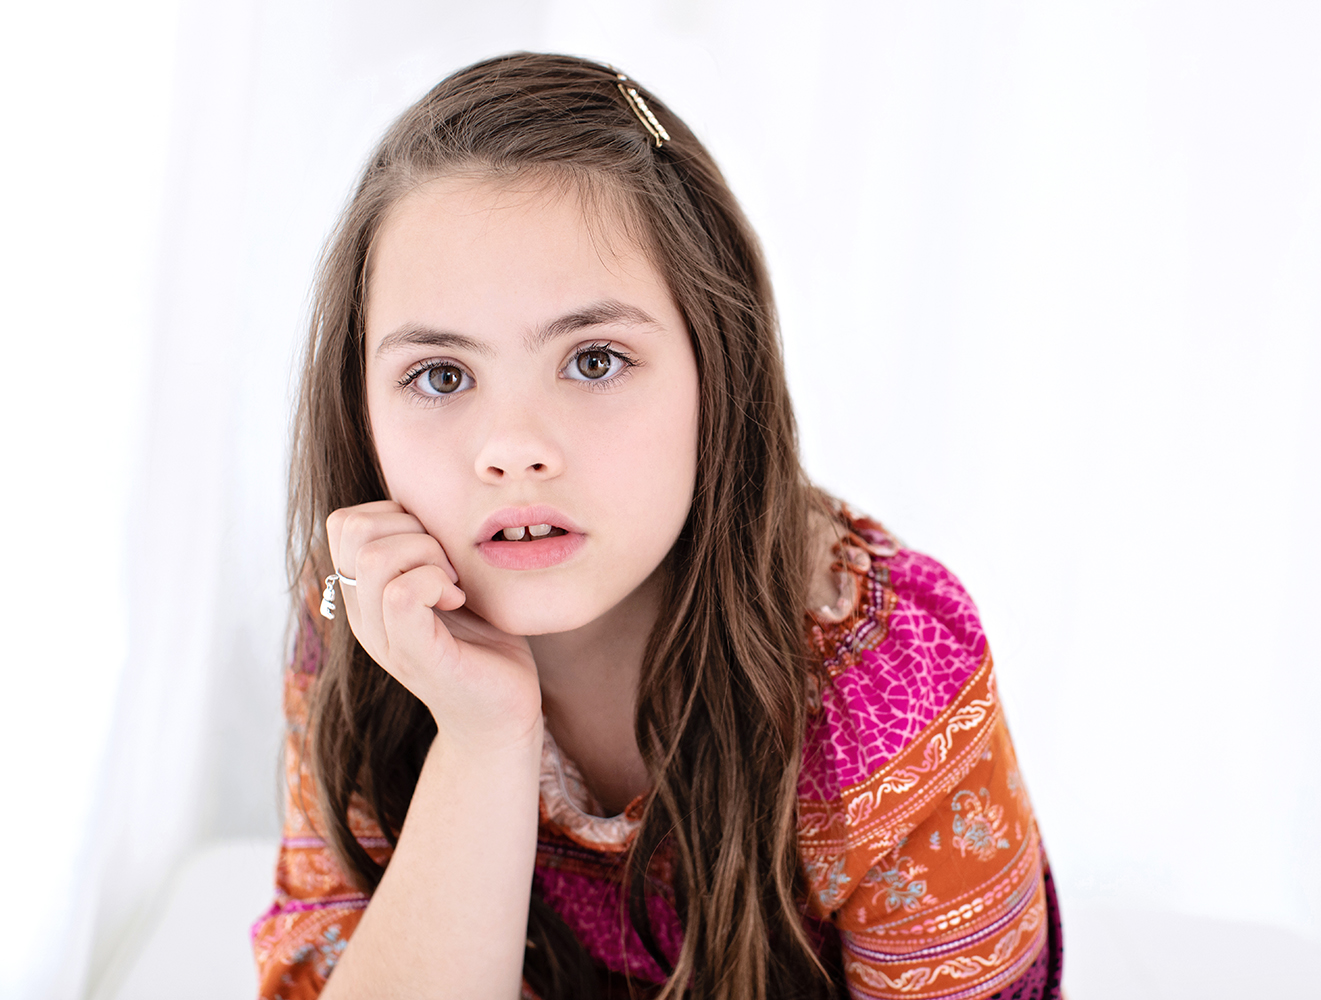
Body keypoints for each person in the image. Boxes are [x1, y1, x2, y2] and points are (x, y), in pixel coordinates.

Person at [252, 52, 1063, 1000]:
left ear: (719, 368)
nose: (512, 450)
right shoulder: (362, 605)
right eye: (441, 376)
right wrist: (481, 740)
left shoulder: (888, 678)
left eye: (594, 360)